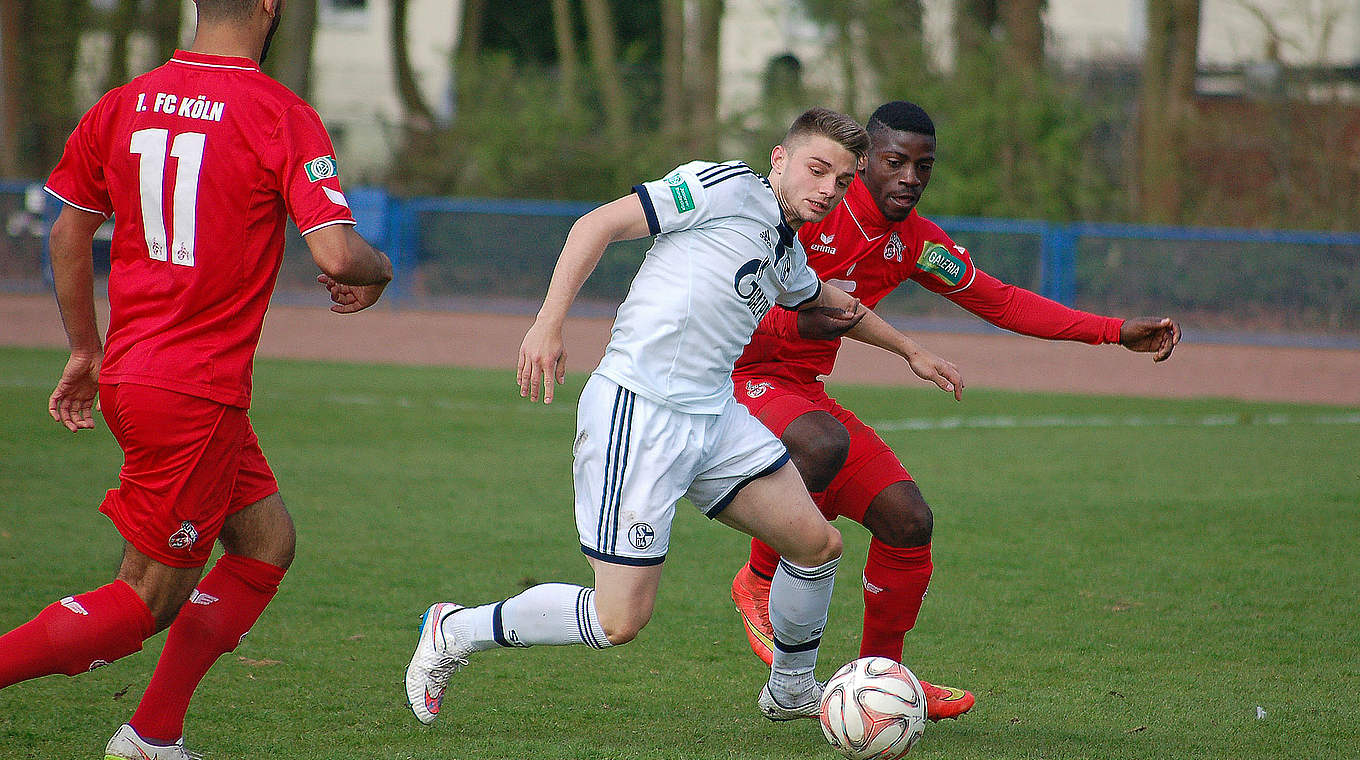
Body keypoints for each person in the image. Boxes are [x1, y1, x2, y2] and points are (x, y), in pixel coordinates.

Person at [404, 108, 965, 727]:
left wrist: (913, 350)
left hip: (713, 416)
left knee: (816, 544)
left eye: (840, 180)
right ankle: (454, 628)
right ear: (780, 158)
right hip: (638, 412)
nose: (828, 189)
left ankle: (790, 691)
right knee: (619, 621)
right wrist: (548, 323)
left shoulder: (783, 245)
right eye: (817, 169)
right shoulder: (725, 186)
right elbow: (597, 224)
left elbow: (832, 302)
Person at [0, 2, 394, 758]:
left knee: (265, 543)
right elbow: (340, 256)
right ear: (272, 7)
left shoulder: (124, 102)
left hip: (138, 371)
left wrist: (86, 349)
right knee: (144, 601)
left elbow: (67, 230)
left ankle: (152, 735)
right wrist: (381, 268)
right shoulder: (279, 113)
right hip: (195, 390)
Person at [728, 100, 1182, 721]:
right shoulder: (808, 210)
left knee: (908, 519)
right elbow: (729, 291)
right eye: (894, 161)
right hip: (736, 378)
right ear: (861, 166)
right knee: (820, 442)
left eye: (923, 165)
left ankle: (880, 683)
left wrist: (1111, 331)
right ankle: (757, 577)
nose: (910, 176)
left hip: (800, 388)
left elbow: (1004, 302)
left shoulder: (913, 243)